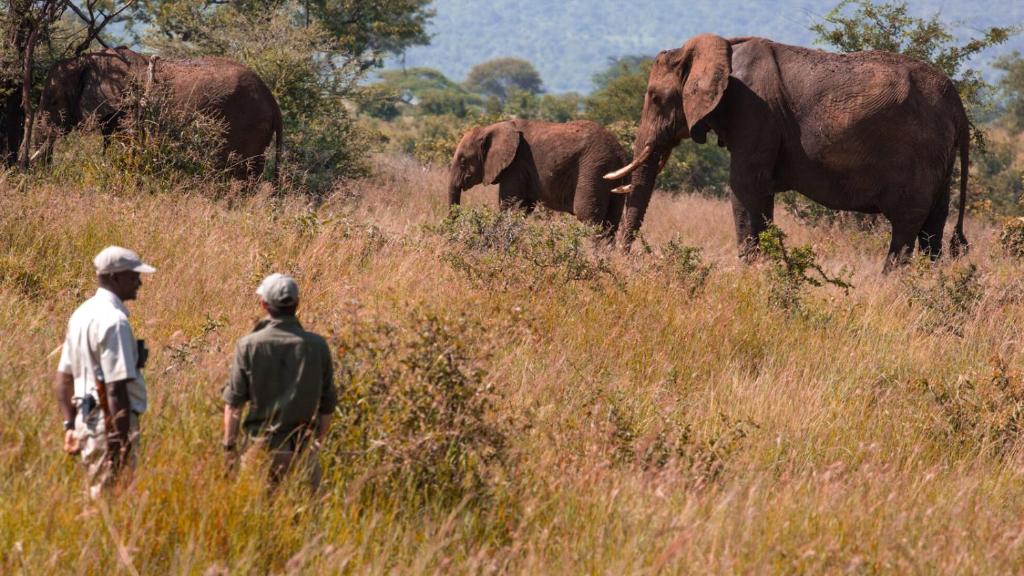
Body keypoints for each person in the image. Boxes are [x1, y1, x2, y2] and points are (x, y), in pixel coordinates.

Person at [55, 246, 156, 499]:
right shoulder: (115, 321)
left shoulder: (81, 314)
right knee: (112, 503)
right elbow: (115, 388)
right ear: (115, 278)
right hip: (108, 424)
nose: (139, 282)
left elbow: (63, 379)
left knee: (97, 495)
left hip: (85, 421)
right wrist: (119, 444)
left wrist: (70, 424)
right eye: (133, 276)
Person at [222, 273, 336, 490]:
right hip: (301, 453)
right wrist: (315, 444)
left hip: (259, 453)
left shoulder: (248, 345)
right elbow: (328, 404)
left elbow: (234, 404)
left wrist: (229, 448)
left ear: (264, 304)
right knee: (306, 520)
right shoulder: (317, 346)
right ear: (297, 303)